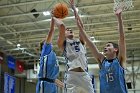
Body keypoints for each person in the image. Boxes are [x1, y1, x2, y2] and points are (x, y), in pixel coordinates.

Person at [70, 0, 128, 92]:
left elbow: (122, 38)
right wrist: (79, 27)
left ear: (116, 49)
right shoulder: (102, 61)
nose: (105, 47)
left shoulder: (120, 60)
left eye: (108, 45)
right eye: (105, 46)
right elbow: (89, 42)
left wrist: (119, 17)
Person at [52, 2, 95, 93]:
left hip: (84, 75)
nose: (70, 30)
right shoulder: (63, 44)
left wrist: (74, 8)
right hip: (72, 76)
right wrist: (55, 16)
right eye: (68, 30)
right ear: (64, 34)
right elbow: (62, 27)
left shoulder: (81, 41)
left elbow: (81, 26)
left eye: (71, 29)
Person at [36, 17, 64, 93]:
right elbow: (51, 31)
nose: (50, 42)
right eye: (47, 41)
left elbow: (53, 78)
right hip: (44, 84)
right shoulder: (45, 51)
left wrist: (64, 85)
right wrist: (53, 19)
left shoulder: (53, 55)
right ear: (43, 46)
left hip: (52, 84)